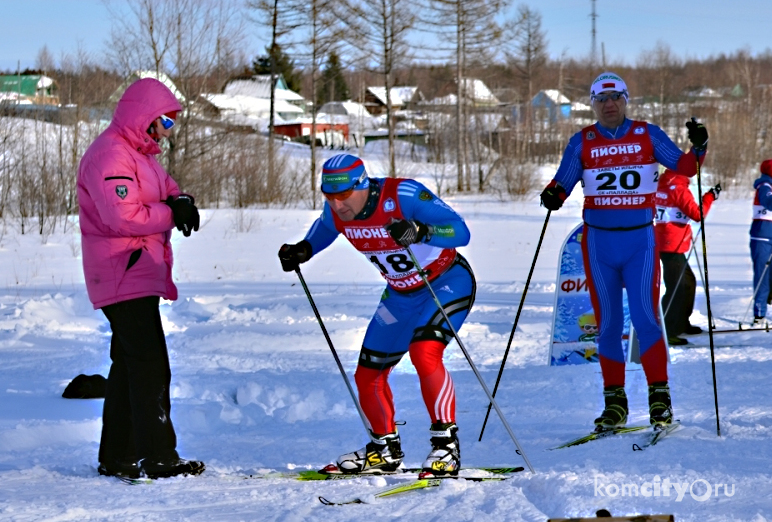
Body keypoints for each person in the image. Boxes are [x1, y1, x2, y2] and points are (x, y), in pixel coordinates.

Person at [278, 153, 474, 477]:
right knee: (368, 374)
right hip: (399, 296)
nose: (337, 204)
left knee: (425, 352)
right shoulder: (338, 211)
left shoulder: (403, 195)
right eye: (328, 196)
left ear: (362, 185)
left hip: (445, 281)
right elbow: (326, 228)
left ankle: (446, 447)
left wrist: (421, 231)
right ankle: (384, 450)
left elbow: (460, 232)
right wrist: (304, 249)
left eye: (342, 196)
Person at [540, 71, 709, 430]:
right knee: (608, 325)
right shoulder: (581, 141)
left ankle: (659, 398)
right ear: (593, 104)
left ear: (626, 100)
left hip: (640, 242)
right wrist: (552, 194)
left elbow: (685, 167)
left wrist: (699, 147)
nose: (609, 104)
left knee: (647, 319)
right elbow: (562, 183)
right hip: (599, 243)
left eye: (615, 97)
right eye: (601, 99)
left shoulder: (646, 133)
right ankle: (614, 402)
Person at [78, 78, 204, 480]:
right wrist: (171, 214)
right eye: (164, 121)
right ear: (143, 117)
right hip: (121, 270)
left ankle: (118, 455)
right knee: (150, 366)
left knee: (129, 365)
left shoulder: (143, 156)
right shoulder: (111, 154)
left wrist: (181, 203)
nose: (167, 131)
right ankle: (159, 457)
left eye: (171, 123)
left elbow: (170, 192)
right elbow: (122, 216)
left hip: (137, 269)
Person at [655, 169, 720, 345]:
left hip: (666, 240)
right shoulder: (679, 188)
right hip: (672, 244)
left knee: (688, 282)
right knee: (678, 288)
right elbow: (697, 214)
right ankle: (667, 330)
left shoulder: (663, 184)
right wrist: (709, 198)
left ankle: (681, 323)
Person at [750, 159, 772, 324]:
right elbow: (768, 202)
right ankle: (759, 314)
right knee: (762, 276)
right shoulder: (764, 185)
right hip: (762, 238)